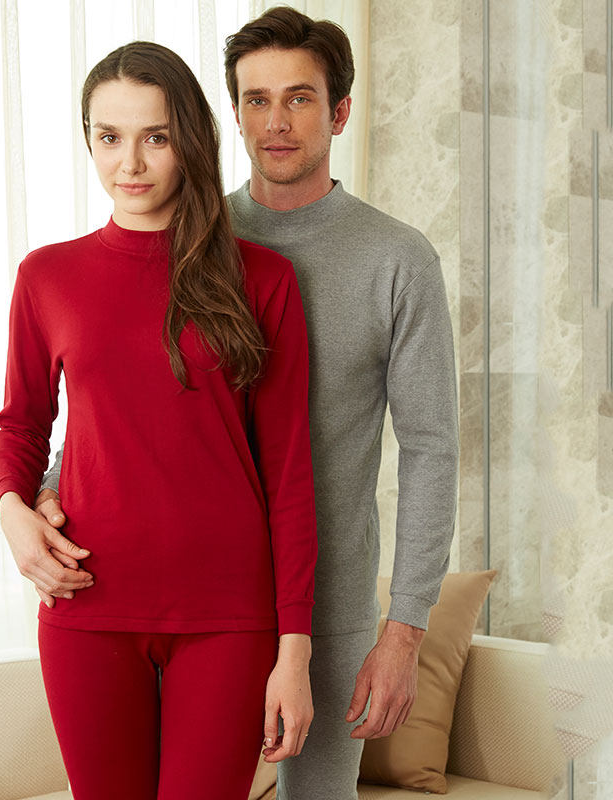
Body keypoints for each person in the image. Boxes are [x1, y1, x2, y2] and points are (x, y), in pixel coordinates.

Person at [32, 7, 459, 800]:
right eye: (257, 100)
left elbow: (432, 450)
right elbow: (116, 395)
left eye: (299, 98)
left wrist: (405, 631)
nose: (276, 122)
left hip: (325, 604)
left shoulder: (397, 260)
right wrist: (50, 491)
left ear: (340, 111)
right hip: (195, 594)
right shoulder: (187, 233)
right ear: (231, 114)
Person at [0, 40, 318, 800]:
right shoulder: (47, 276)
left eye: (155, 137)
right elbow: (21, 426)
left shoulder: (262, 279)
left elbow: (289, 474)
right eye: (109, 137)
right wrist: (13, 514)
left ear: (189, 141)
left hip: (229, 616)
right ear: (88, 139)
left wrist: (294, 652)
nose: (130, 163)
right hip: (88, 602)